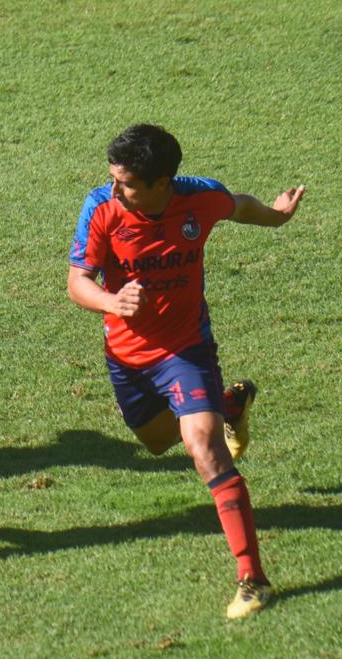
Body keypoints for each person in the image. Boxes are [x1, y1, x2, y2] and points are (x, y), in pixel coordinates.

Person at [68, 123, 305, 618]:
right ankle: (230, 405)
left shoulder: (198, 199)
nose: (116, 188)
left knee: (205, 450)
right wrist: (111, 300)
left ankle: (252, 578)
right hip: (127, 358)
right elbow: (77, 282)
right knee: (157, 441)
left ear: (162, 183)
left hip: (186, 350)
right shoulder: (102, 208)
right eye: (113, 177)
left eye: (128, 182)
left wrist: (278, 217)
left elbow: (238, 204)